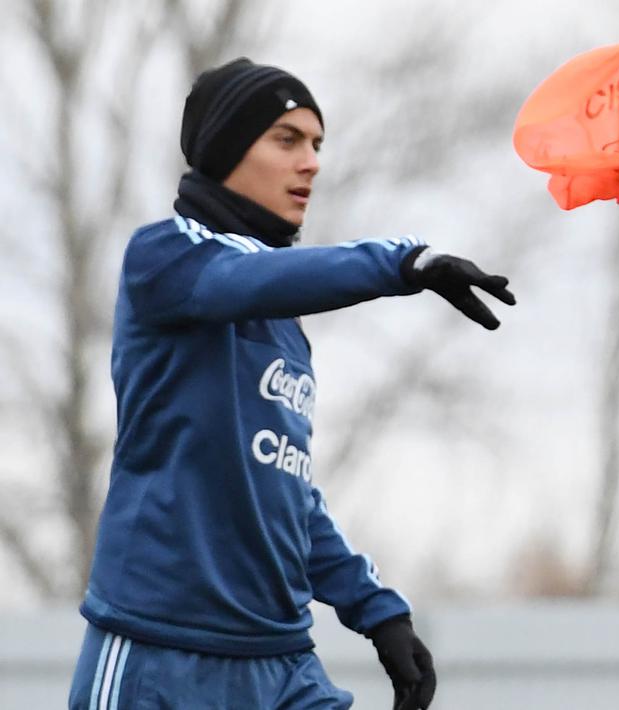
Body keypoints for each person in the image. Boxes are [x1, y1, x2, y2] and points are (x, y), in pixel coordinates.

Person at [68, 57, 514, 710]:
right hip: (158, 657)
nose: (311, 162)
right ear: (224, 150)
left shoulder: (284, 324)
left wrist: (376, 610)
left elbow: (284, 490)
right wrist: (404, 262)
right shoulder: (163, 258)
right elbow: (241, 277)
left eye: (317, 144)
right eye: (287, 140)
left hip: (281, 664)